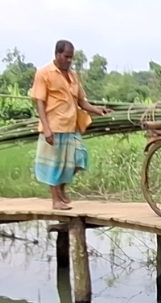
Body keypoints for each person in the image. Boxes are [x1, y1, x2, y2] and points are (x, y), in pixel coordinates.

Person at [30, 40, 111, 211]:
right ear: (57, 54)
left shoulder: (73, 76)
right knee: (54, 164)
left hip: (71, 126)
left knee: (80, 158)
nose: (69, 60)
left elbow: (81, 101)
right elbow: (40, 103)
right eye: (66, 56)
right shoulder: (44, 73)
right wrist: (46, 128)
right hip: (54, 125)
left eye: (71, 57)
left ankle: (61, 188)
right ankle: (56, 200)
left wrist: (98, 110)